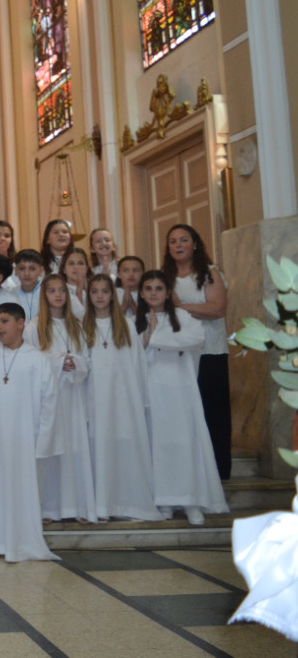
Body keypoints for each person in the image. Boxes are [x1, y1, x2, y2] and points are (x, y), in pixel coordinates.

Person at [0, 302, 60, 562]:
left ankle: (23, 542)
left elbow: (49, 403)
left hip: (25, 439)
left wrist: (44, 441)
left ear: (20, 323)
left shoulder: (38, 360)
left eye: (4, 321)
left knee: (23, 490)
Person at [136, 270, 228, 525]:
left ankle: (190, 502)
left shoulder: (185, 317)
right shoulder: (135, 320)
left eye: (159, 288)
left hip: (181, 390)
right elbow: (132, 355)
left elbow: (196, 338)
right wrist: (149, 338)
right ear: (142, 293)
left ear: (168, 293)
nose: (154, 293)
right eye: (149, 288)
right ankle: (163, 501)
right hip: (151, 391)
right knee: (158, 444)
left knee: (185, 443)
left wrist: (154, 338)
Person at [83, 275, 162, 522]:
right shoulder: (82, 326)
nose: (99, 296)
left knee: (124, 445)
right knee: (98, 447)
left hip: (123, 398)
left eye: (104, 291)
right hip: (94, 397)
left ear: (112, 295)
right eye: (94, 291)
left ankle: (128, 503)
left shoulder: (126, 325)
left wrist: (139, 399)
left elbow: (137, 364)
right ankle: (101, 505)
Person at [162, 224, 231, 479]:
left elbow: (217, 308)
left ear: (195, 244)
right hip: (176, 356)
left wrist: (180, 306)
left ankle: (219, 472)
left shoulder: (209, 273)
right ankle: (186, 473)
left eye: (183, 240)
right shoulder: (164, 277)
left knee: (213, 412)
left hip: (210, 351)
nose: (178, 245)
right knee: (182, 413)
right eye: (172, 241)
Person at [26, 275, 94, 523]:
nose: (57, 295)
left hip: (73, 396)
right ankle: (47, 508)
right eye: (52, 291)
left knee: (75, 447)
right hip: (49, 398)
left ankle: (77, 507)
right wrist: (56, 362)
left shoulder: (76, 325)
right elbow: (30, 361)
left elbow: (86, 359)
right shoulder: (34, 327)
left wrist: (74, 363)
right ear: (44, 295)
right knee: (51, 449)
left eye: (62, 291)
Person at [13, 248, 46, 321]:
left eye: (32, 269)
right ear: (15, 271)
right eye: (22, 269)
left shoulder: (47, 292)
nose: (26, 273)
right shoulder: (11, 294)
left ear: (41, 271)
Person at [60, 247, 91, 319]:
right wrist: (79, 289)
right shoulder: (60, 290)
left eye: (80, 263)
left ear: (86, 268)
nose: (76, 267)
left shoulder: (94, 289)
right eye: (71, 263)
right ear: (64, 269)